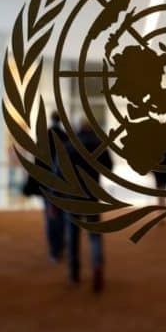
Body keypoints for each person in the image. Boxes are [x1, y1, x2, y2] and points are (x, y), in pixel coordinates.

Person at [64, 120, 113, 293]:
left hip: (73, 197)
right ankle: (97, 264)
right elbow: (109, 167)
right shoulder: (99, 144)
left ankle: (74, 273)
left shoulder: (70, 145)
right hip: (92, 196)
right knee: (95, 236)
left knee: (73, 235)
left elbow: (59, 171)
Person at [25, 111, 67, 263]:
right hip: (63, 186)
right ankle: (61, 245)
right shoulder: (66, 137)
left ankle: (54, 250)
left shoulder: (44, 137)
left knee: (50, 218)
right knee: (62, 216)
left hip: (46, 185)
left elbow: (37, 162)